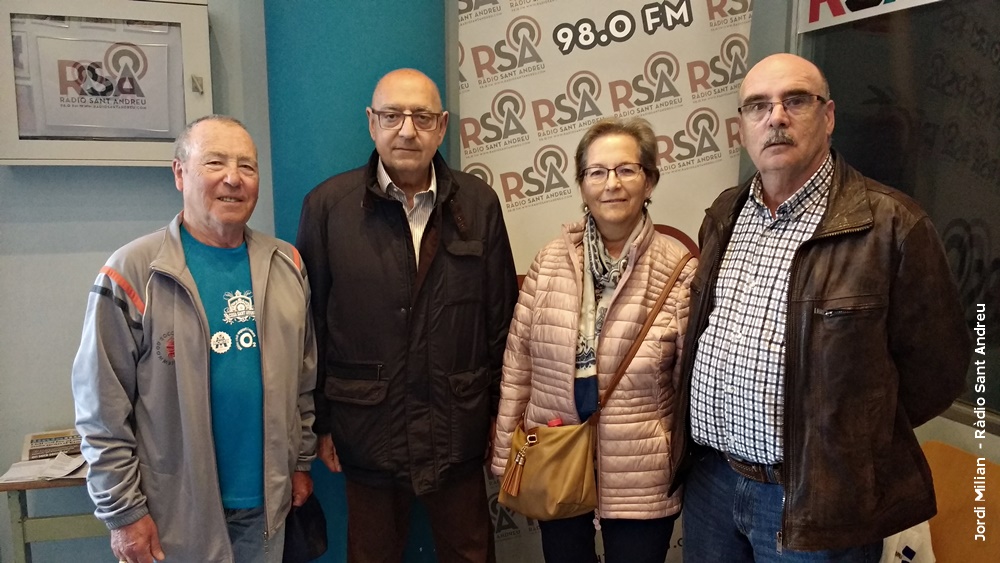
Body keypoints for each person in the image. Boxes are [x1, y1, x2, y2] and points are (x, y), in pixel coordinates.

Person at [672, 53, 971, 561]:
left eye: (795, 101)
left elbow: (937, 371)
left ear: (828, 116)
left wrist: (847, 443)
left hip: (818, 503)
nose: (776, 117)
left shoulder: (892, 226)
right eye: (758, 106)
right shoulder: (724, 212)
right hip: (712, 486)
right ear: (741, 127)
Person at [296, 68, 518, 563]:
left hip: (458, 426)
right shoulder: (328, 207)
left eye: (421, 117)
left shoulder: (478, 204)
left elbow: (500, 323)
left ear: (441, 127)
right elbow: (312, 330)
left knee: (471, 556)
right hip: (367, 427)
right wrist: (322, 424)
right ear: (372, 123)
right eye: (393, 115)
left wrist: (500, 419)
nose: (407, 129)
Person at [72, 115, 317, 563]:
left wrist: (300, 463)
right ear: (180, 173)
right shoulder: (131, 273)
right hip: (172, 519)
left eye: (247, 166)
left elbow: (302, 381)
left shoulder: (288, 265)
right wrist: (123, 512)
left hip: (266, 511)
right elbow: (101, 411)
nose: (233, 178)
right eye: (215, 162)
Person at [490, 117, 697, 563]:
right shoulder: (550, 262)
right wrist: (508, 453)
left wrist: (679, 461)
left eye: (627, 170)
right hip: (556, 450)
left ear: (650, 180)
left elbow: (688, 387)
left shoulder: (679, 269)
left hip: (638, 468)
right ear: (581, 185)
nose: (612, 184)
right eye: (597, 172)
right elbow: (519, 363)